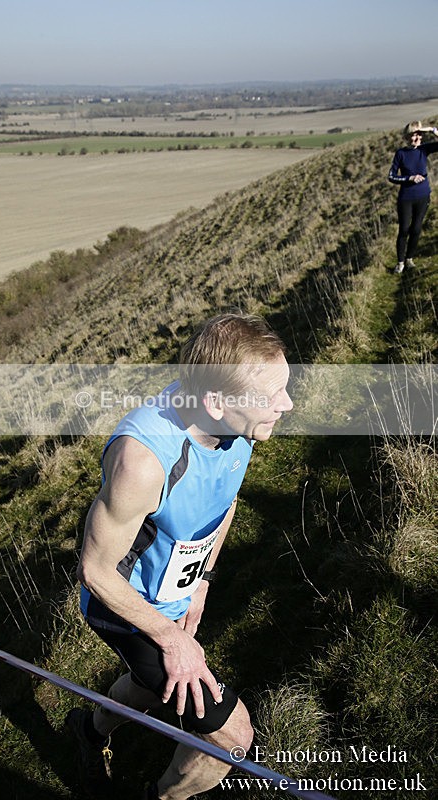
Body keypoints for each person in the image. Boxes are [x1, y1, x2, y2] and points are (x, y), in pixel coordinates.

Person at [67, 313, 293, 800]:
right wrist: (171, 639)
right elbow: (94, 570)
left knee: (150, 686)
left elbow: (224, 497)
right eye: (272, 396)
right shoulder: (142, 462)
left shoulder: (236, 421)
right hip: (124, 607)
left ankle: (88, 731)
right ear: (214, 403)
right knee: (231, 739)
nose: (287, 405)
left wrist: (204, 578)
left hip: (176, 593)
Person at [388, 120, 438, 273]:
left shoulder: (424, 150)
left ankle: (409, 259)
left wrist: (432, 130)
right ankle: (400, 262)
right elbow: (391, 176)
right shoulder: (400, 154)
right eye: (413, 135)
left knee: (416, 229)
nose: (417, 138)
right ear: (407, 137)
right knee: (404, 229)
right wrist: (408, 179)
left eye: (419, 135)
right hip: (406, 198)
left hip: (423, 196)